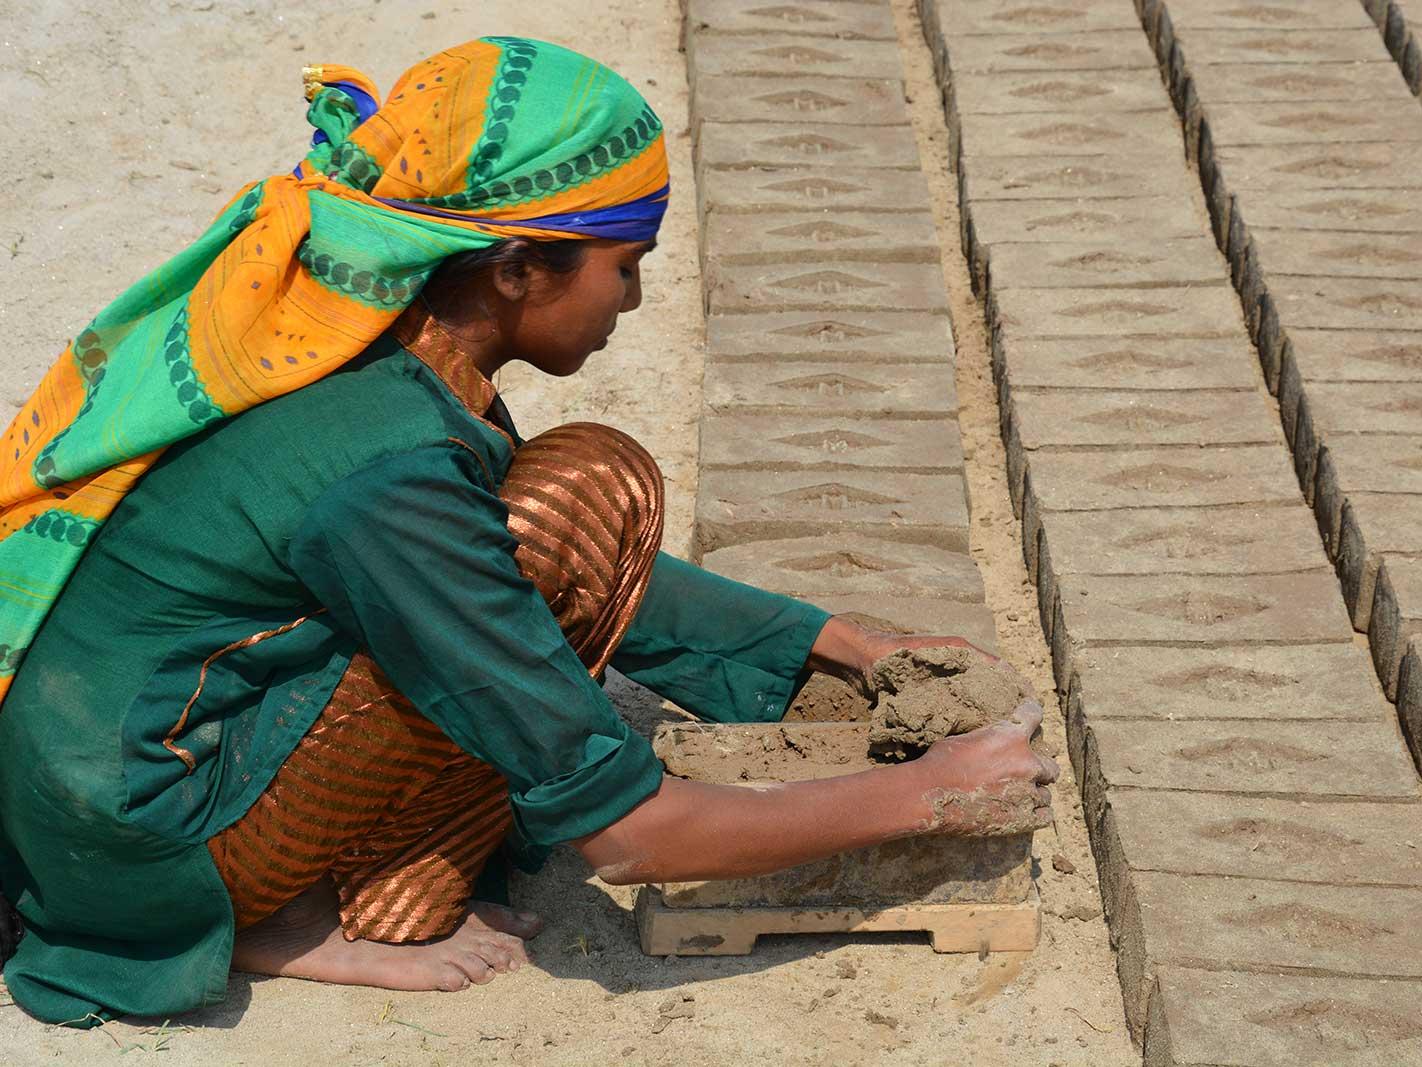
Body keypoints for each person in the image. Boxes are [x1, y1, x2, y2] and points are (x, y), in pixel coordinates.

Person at [0, 37, 1057, 1025]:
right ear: (515, 267)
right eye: (624, 263)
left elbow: (501, 546)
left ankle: (368, 875)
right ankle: (274, 919)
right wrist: (928, 793)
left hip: (116, 764)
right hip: (145, 837)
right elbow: (629, 832)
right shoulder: (386, 472)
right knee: (579, 500)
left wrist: (843, 643)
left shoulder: (384, 348)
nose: (633, 298)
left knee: (581, 490)